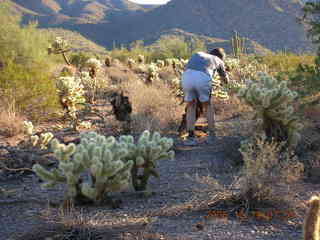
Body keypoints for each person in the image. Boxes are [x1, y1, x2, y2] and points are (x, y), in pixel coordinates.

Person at [181, 48, 229, 146]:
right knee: (208, 106)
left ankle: (190, 137)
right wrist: (226, 84)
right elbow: (225, 79)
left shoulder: (198, 53)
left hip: (186, 77)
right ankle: (212, 136)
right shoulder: (218, 60)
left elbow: (187, 67)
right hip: (203, 77)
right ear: (221, 57)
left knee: (191, 106)